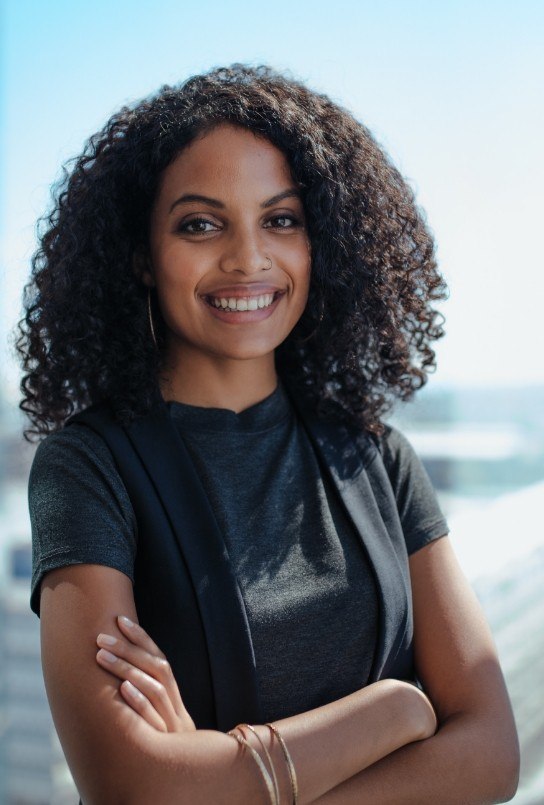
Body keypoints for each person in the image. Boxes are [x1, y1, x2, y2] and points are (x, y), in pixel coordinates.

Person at [18, 64, 519, 804]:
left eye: (280, 219)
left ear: (325, 244)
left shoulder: (376, 456)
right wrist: (396, 710)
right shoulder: (88, 468)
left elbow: (492, 754)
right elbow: (132, 786)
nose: (248, 257)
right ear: (140, 258)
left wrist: (227, 772)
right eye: (200, 223)